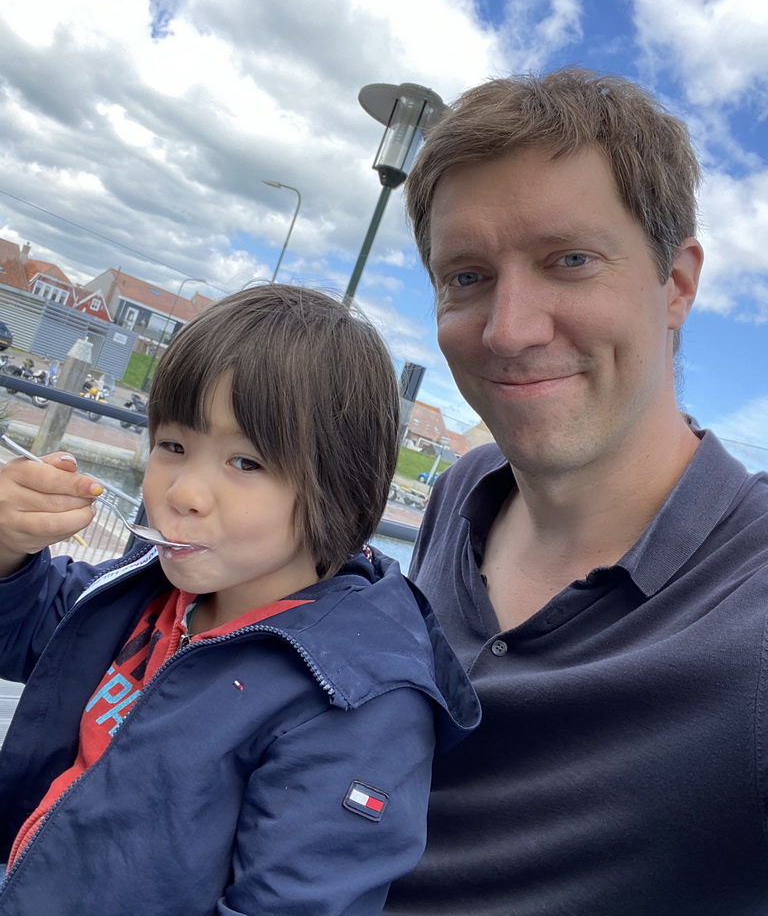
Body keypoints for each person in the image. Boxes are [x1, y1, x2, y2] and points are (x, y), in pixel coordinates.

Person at [384, 67, 768, 915]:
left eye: (570, 261)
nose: (509, 329)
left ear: (676, 283)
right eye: (468, 277)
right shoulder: (464, 488)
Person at [0, 284, 479, 916]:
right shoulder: (151, 589)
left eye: (246, 462)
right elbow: (30, 631)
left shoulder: (356, 704)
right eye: (172, 446)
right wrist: (10, 549)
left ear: (338, 488)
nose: (185, 492)